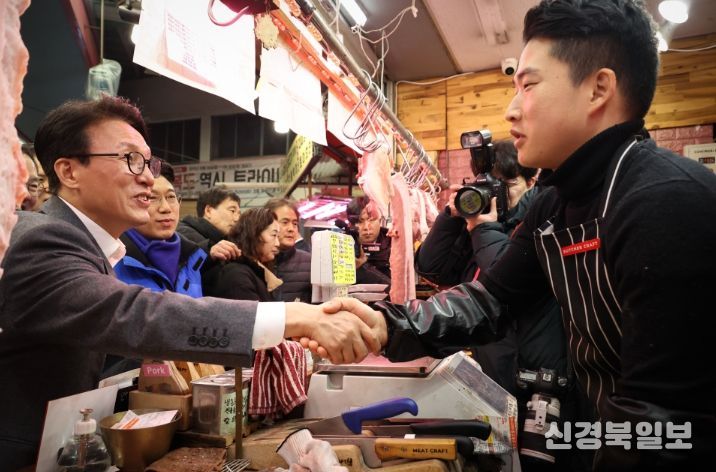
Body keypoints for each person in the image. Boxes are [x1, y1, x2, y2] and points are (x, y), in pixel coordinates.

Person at [320, 1, 716, 470]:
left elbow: (664, 420)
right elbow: (492, 300)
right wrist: (387, 325)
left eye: (528, 85)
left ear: (598, 89)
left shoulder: (667, 201)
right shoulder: (554, 203)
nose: (510, 111)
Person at [0, 96, 380, 469]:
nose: (147, 177)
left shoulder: (99, 250)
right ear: (69, 172)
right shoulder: (39, 236)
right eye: (130, 159)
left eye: (149, 162)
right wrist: (295, 317)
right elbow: (131, 313)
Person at [203, 207, 282, 302]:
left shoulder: (255, 271)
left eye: (278, 237)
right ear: (254, 234)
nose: (278, 243)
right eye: (273, 235)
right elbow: (250, 311)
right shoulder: (236, 275)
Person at [176, 185, 242, 261]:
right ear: (208, 211)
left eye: (239, 214)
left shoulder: (223, 240)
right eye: (232, 211)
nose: (237, 219)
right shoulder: (185, 237)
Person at [265, 198, 312, 303]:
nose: (291, 229)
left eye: (295, 223)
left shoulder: (310, 262)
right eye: (285, 222)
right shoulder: (256, 261)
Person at [346, 196, 391, 285]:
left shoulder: (393, 243)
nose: (366, 227)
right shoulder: (343, 245)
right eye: (360, 221)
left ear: (380, 220)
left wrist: (362, 267)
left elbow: (395, 287)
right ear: (351, 224)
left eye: (372, 220)